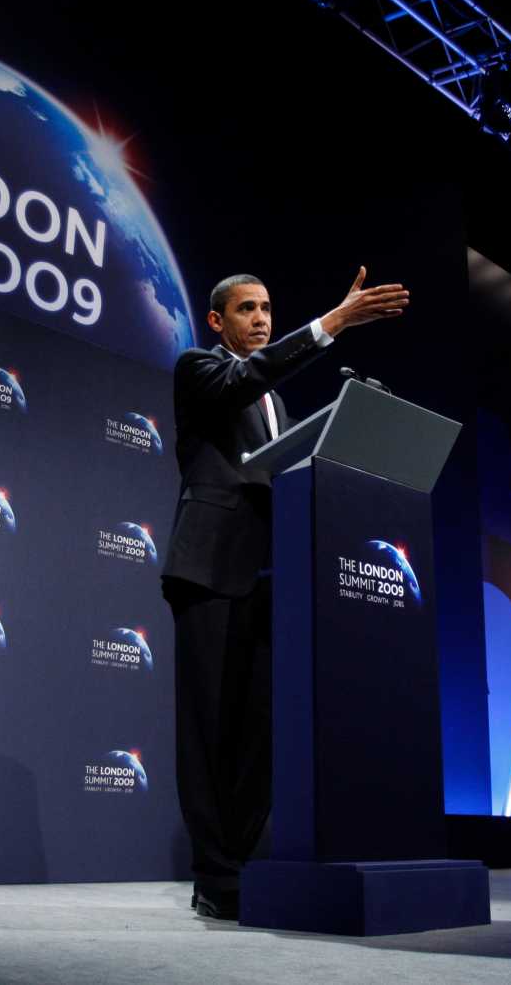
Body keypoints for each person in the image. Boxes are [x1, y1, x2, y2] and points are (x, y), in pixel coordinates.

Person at [160, 267, 408, 919]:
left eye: (268, 307)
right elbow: (250, 375)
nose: (262, 318)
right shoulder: (199, 370)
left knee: (259, 740)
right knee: (209, 735)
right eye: (247, 309)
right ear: (218, 321)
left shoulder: (279, 406)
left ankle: (238, 866)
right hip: (211, 569)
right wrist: (333, 324)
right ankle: (215, 878)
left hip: (275, 579)